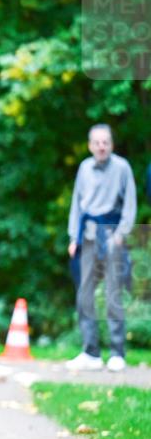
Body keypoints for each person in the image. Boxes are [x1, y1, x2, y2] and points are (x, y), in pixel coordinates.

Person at [65, 124, 136, 373]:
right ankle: (91, 352)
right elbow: (76, 204)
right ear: (90, 145)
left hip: (112, 237)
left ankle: (117, 352)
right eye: (97, 142)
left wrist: (121, 235)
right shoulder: (84, 168)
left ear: (112, 144)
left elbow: (130, 204)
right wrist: (73, 237)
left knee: (113, 294)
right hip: (88, 237)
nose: (101, 146)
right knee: (84, 295)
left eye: (105, 142)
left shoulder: (122, 167)